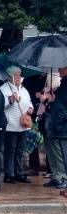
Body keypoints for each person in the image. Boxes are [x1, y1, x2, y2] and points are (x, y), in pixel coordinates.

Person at [0, 66, 34, 184]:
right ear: (9, 76)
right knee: (10, 150)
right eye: (15, 74)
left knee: (20, 150)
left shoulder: (24, 89)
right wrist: (10, 99)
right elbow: (0, 104)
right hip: (10, 124)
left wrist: (30, 108)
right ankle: (9, 174)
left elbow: (29, 102)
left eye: (19, 74)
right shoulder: (4, 88)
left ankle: (18, 173)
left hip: (23, 125)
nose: (18, 77)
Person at [38, 74, 66, 189]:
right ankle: (56, 176)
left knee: (59, 153)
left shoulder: (62, 88)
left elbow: (60, 107)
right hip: (49, 123)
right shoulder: (59, 88)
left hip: (58, 125)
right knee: (51, 151)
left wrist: (48, 101)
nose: (59, 71)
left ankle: (62, 176)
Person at [47, 67, 67, 196]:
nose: (59, 71)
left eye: (61, 68)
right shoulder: (63, 84)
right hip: (61, 126)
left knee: (66, 156)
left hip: (64, 127)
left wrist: (59, 120)